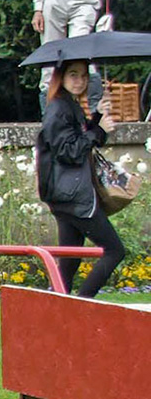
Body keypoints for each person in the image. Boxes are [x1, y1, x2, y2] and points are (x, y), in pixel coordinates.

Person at [36, 60, 127, 296]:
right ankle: (82, 304)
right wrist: (99, 131)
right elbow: (68, 151)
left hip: (64, 194)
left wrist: (97, 117)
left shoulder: (69, 105)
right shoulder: (58, 108)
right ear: (61, 77)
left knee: (70, 259)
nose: (80, 81)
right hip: (72, 195)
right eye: (73, 75)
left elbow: (82, 137)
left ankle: (56, 311)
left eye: (84, 76)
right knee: (115, 250)